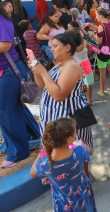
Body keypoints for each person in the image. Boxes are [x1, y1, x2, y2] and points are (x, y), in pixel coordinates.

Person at [31, 32, 94, 178]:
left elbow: (59, 95)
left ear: (67, 47)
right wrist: (36, 69)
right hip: (55, 117)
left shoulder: (71, 66)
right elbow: (42, 84)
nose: (51, 49)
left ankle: (82, 177)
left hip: (69, 117)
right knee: (61, 149)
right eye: (51, 46)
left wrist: (43, 72)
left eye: (54, 46)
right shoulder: (60, 65)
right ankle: (68, 176)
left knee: (76, 147)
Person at [0, 6, 40, 168]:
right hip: (9, 71)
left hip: (9, 73)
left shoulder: (2, 21)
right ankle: (34, 135)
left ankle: (18, 152)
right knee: (15, 108)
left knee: (6, 112)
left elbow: (4, 45)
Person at [30, 117, 96, 211]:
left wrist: (40, 156)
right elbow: (90, 151)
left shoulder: (44, 163)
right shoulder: (79, 151)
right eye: (75, 134)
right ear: (68, 139)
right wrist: (79, 143)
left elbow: (32, 173)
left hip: (62, 198)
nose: (75, 136)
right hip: (82, 193)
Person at [83, 7, 110, 97]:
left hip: (103, 52)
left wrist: (94, 35)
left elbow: (99, 41)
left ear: (101, 15)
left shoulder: (102, 26)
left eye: (96, 15)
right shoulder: (109, 23)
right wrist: (90, 25)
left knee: (102, 73)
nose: (96, 17)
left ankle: (102, 91)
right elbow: (101, 29)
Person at [65, 28, 94, 106]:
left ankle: (78, 99)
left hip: (76, 66)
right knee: (88, 84)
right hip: (86, 65)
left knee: (77, 83)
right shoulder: (85, 43)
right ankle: (90, 99)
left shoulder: (71, 47)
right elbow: (89, 52)